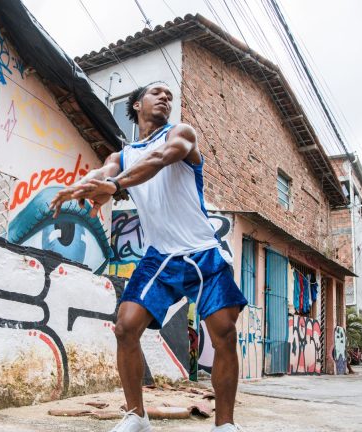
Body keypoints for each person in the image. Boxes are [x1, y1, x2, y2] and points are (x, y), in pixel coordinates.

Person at [49, 83, 248, 432]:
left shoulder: (181, 134)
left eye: (169, 96)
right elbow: (104, 173)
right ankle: (137, 417)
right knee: (126, 327)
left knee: (223, 334)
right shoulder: (120, 156)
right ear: (137, 104)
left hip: (203, 251)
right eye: (157, 93)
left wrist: (115, 186)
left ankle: (225, 425)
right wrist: (81, 185)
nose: (166, 98)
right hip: (160, 258)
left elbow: (158, 159)